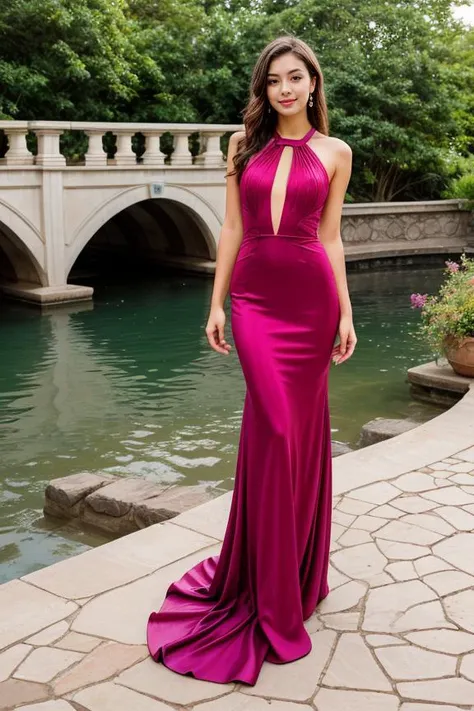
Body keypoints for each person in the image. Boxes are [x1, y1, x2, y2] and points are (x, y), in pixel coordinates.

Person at [147, 34, 357, 686]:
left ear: (313, 83)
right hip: (257, 302)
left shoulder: (337, 152)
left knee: (293, 439)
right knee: (275, 427)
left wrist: (347, 312)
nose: (285, 89)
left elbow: (330, 235)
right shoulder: (244, 147)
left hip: (312, 298)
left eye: (295, 78)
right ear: (264, 90)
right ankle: (264, 588)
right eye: (274, 81)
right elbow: (232, 228)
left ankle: (294, 575)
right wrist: (215, 302)